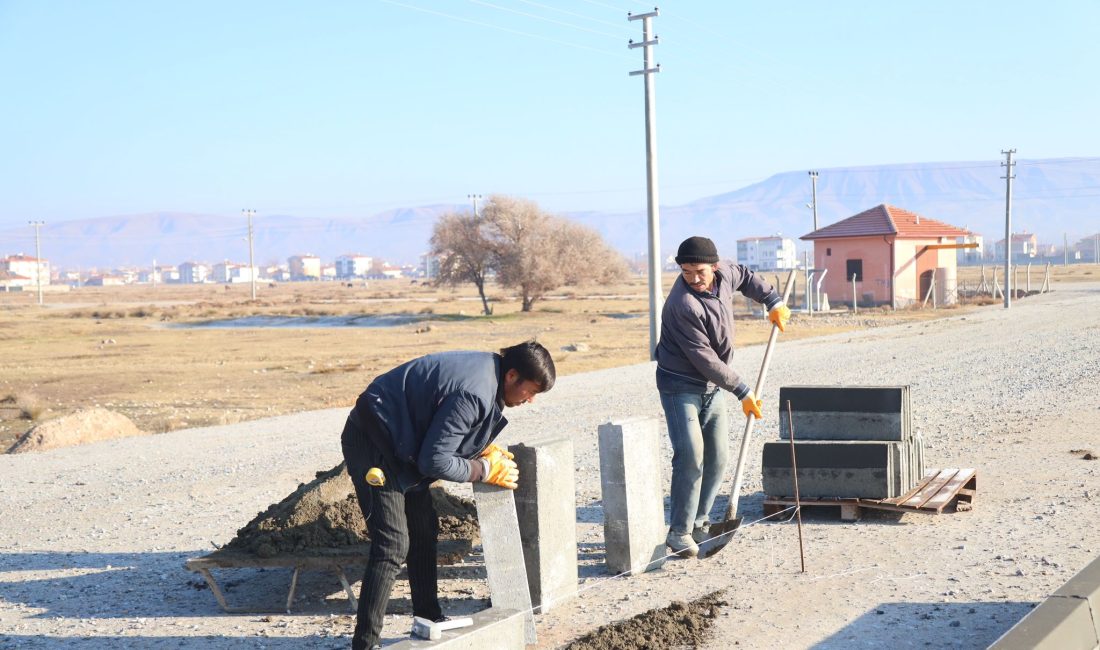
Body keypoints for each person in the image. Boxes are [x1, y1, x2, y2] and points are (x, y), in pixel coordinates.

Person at [340, 340, 556, 650]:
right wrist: (482, 469)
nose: (530, 400)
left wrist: (479, 447)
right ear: (512, 376)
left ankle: (429, 617)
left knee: (424, 528)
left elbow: (443, 427)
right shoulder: (475, 393)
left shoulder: (488, 376)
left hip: (401, 442)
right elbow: (435, 461)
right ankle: (365, 644)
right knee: (392, 545)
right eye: (530, 391)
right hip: (373, 441)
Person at [654, 236, 791, 558]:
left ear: (714, 267)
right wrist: (742, 390)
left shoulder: (726, 273)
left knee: (718, 458)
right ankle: (679, 532)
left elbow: (745, 275)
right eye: (686, 272)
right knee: (690, 456)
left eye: (699, 271)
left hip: (712, 386)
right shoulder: (681, 304)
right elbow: (704, 358)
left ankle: (701, 523)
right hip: (680, 386)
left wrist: (772, 300)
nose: (693, 278)